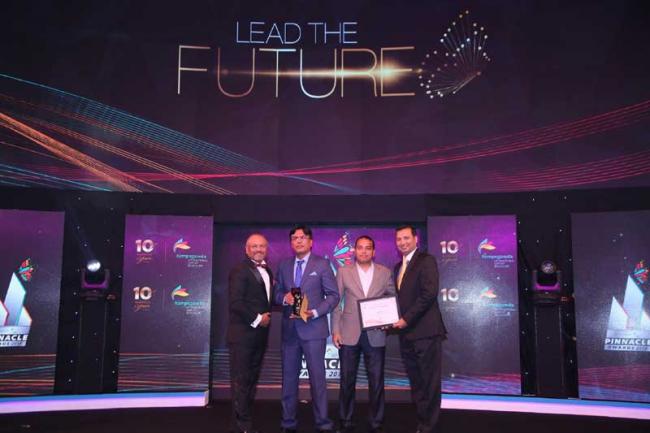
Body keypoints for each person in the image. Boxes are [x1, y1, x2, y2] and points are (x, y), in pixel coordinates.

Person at [274, 225, 340, 433]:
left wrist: (316, 312)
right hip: (290, 330)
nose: (298, 241)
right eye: (294, 238)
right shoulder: (284, 265)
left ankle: (323, 422)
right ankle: (288, 422)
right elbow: (276, 294)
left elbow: (333, 296)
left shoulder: (322, 264)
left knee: (318, 379)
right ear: (291, 242)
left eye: (302, 237)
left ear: (311, 242)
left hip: (314, 329)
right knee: (288, 379)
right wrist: (283, 298)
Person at [331, 235, 395, 433]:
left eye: (368, 248)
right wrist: (336, 330)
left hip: (375, 333)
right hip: (348, 333)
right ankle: (345, 420)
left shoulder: (385, 272)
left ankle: (376, 422)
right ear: (355, 251)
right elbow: (336, 303)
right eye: (360, 247)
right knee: (347, 380)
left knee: (376, 381)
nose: (364, 251)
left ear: (373, 252)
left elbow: (392, 298)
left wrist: (388, 319)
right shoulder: (343, 271)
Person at [392, 225, 447, 433]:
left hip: (426, 333)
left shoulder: (426, 260)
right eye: (399, 239)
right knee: (416, 381)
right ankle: (423, 420)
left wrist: (406, 319)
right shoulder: (398, 267)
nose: (403, 242)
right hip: (407, 335)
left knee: (429, 381)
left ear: (416, 239)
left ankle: (429, 425)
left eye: (406, 238)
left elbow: (429, 294)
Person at [227, 233, 274, 433]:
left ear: (266, 249)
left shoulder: (268, 270)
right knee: (241, 382)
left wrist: (289, 299)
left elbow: (265, 300)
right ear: (246, 249)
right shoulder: (239, 270)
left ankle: (242, 424)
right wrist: (257, 319)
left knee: (250, 381)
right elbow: (236, 303)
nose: (258, 249)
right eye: (254, 246)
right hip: (242, 337)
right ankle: (242, 427)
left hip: (259, 337)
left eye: (261, 246)